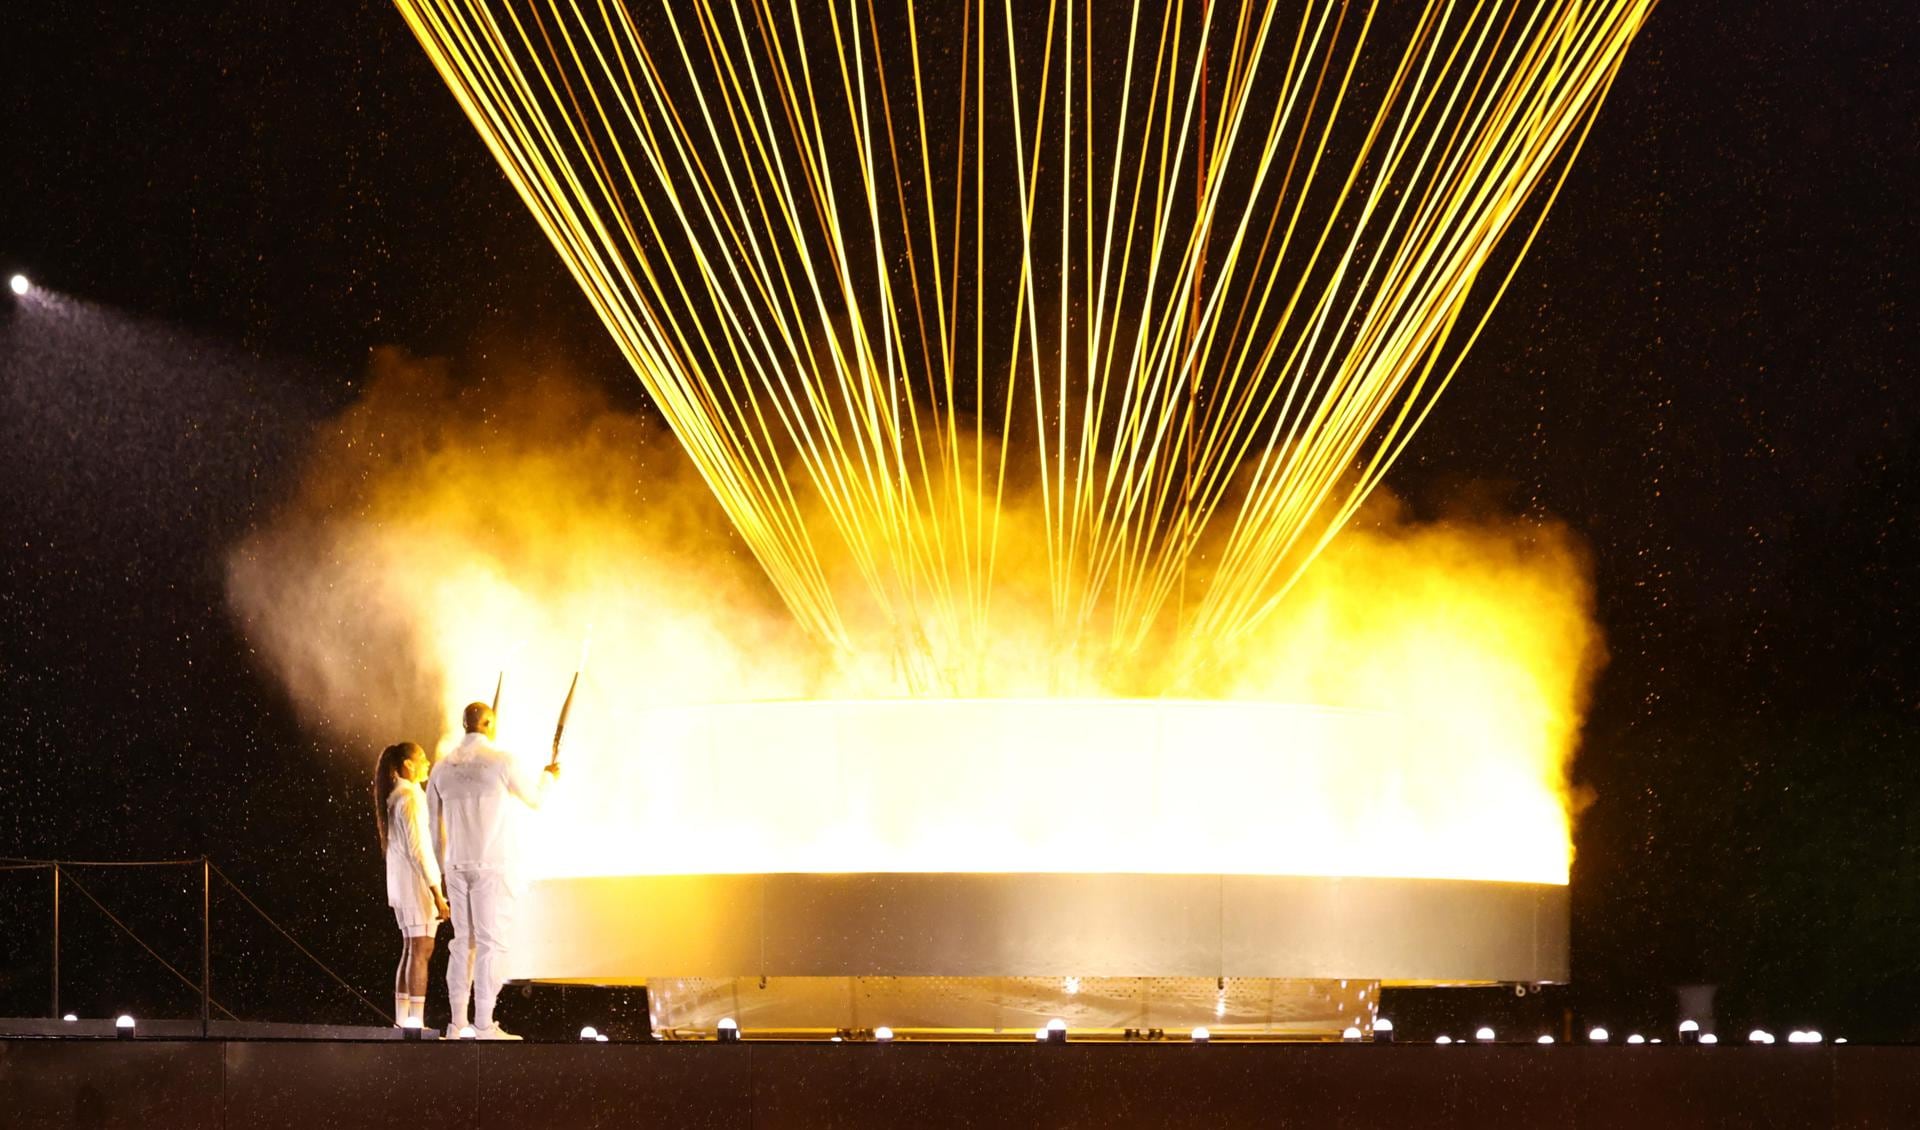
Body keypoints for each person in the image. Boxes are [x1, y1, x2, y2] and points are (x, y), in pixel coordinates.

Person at [426, 701, 557, 1040]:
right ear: (488, 723)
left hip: (455, 865)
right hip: (490, 865)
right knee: (487, 943)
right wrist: (548, 776)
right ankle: (483, 1024)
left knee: (460, 943)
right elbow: (536, 800)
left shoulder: (441, 768)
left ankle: (456, 1024)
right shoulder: (501, 761)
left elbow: (432, 827)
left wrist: (444, 869)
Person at [373, 741, 451, 1029]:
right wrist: (437, 894)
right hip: (415, 886)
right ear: (408, 764)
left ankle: (403, 1022)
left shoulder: (395, 797)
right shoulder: (410, 799)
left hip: (401, 887)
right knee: (421, 950)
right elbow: (420, 850)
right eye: (422, 759)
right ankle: (414, 1023)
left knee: (410, 949)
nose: (428, 763)